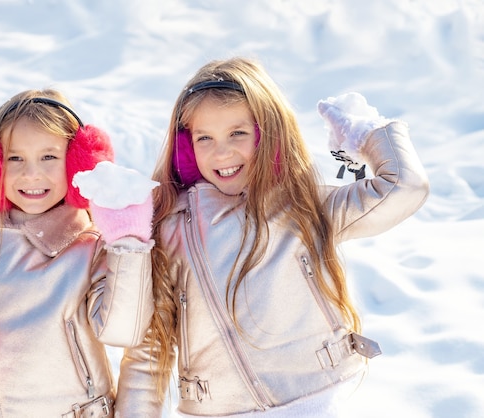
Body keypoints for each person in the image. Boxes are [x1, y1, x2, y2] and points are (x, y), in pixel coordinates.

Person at [115, 57, 429, 417]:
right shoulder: (171, 228)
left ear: (267, 134)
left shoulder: (304, 207)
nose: (222, 151)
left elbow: (405, 187)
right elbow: (150, 347)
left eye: (238, 133)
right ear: (185, 147)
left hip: (320, 402)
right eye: (204, 138)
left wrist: (367, 134)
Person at [0, 89, 155, 417]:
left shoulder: (89, 246)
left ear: (78, 164)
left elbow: (123, 330)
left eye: (49, 157)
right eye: (15, 158)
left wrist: (127, 245)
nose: (31, 173)